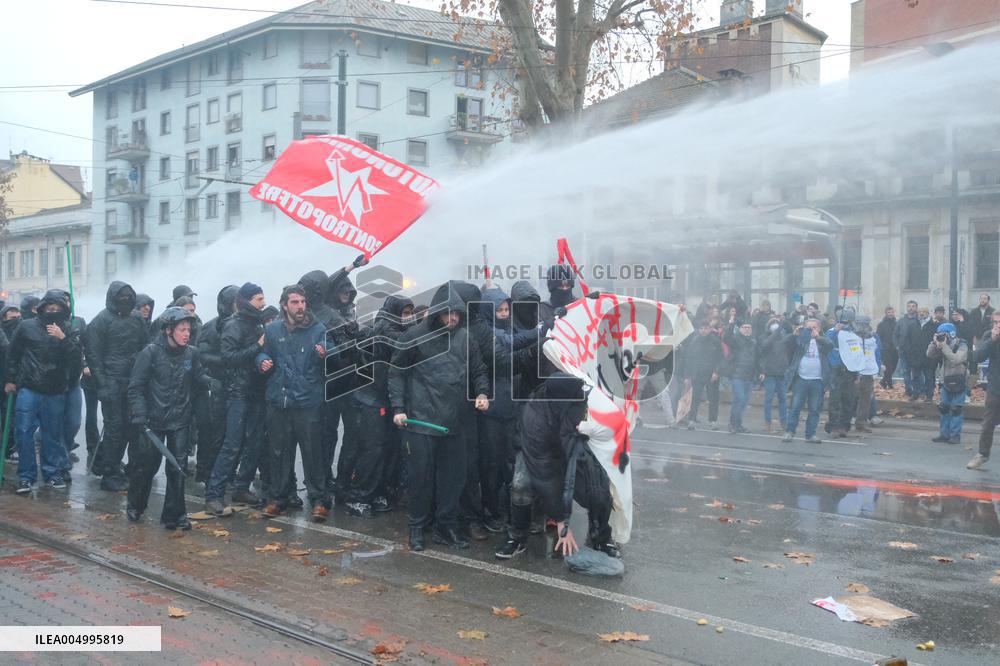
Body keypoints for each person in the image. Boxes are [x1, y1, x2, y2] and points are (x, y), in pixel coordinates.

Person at [388, 288, 490, 552]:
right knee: (420, 479)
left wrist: (482, 392)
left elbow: (478, 370)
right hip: (421, 421)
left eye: (456, 313)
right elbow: (396, 373)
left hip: (454, 421)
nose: (453, 318)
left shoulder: (466, 338)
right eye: (448, 313)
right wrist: (398, 408)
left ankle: (447, 525)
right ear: (437, 314)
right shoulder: (414, 336)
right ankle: (417, 527)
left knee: (453, 478)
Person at [494, 373, 614, 561]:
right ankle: (517, 535)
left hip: (571, 444)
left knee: (597, 487)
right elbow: (546, 476)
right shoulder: (534, 418)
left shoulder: (575, 396)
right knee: (521, 485)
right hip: (536, 452)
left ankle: (601, 536)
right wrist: (561, 521)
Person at [126, 307, 212, 529]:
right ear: (168, 330)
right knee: (146, 466)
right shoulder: (150, 353)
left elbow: (198, 378)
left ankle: (174, 514)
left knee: (178, 468)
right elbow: (136, 387)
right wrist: (139, 413)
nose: (187, 334)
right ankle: (136, 503)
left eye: (189, 329)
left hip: (180, 420)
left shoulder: (192, 354)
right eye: (182, 329)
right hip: (152, 422)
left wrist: (212, 382)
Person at [256, 285, 331, 521]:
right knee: (279, 452)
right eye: (295, 302)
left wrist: (326, 351)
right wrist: (262, 361)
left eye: (302, 302)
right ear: (284, 305)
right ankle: (278, 498)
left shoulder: (318, 328)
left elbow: (335, 350)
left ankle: (319, 500)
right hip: (280, 400)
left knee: (312, 452)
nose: (300, 307)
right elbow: (262, 353)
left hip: (307, 400)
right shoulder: (274, 329)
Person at [338, 294, 414, 518]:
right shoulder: (384, 328)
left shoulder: (394, 328)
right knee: (372, 450)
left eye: (410, 314)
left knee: (387, 450)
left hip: (387, 399)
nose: (408, 318)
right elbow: (403, 343)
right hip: (370, 399)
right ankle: (359, 496)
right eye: (405, 313)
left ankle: (377, 492)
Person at [6, 290, 82, 494]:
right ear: (42, 309)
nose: (53, 312)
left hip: (55, 390)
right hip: (29, 388)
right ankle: (26, 476)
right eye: (50, 309)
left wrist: (63, 338)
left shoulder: (68, 328)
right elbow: (13, 354)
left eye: (57, 309)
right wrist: (11, 380)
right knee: (23, 431)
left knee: (52, 434)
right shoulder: (26, 326)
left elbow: (76, 361)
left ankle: (51, 473)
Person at [204, 282, 268, 515]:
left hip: (257, 392)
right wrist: (257, 347)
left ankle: (242, 487)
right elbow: (228, 358)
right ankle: (213, 495)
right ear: (246, 301)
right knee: (232, 445)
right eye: (259, 299)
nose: (263, 303)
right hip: (238, 393)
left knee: (254, 444)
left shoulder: (257, 323)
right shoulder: (234, 324)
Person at [86, 281, 150, 491]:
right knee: (115, 429)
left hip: (132, 382)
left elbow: (145, 348)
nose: (126, 300)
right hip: (111, 382)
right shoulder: (100, 322)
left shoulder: (137, 319)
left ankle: (113, 464)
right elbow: (93, 356)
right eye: (121, 297)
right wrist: (102, 385)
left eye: (128, 296)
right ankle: (110, 473)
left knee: (131, 428)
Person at [323, 256, 368, 499]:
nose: (345, 294)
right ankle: (323, 478)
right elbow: (330, 282)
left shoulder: (351, 312)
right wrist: (352, 266)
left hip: (351, 380)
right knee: (328, 433)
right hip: (331, 381)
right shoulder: (325, 312)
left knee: (353, 432)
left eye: (348, 291)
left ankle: (343, 480)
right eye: (342, 291)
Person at [195, 285, 238, 483]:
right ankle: (207, 471)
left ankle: (226, 472)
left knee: (232, 435)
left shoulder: (242, 325)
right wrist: (226, 360)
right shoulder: (211, 327)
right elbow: (201, 355)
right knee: (214, 434)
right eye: (234, 303)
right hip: (216, 386)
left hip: (236, 387)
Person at [783, 319, 833, 444]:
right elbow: (784, 343)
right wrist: (795, 334)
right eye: (809, 327)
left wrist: (818, 337)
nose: (811, 330)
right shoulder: (800, 340)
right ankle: (790, 431)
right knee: (795, 407)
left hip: (817, 379)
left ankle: (810, 434)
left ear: (819, 328)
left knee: (815, 409)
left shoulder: (822, 341)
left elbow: (831, 345)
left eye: (814, 327)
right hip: (801, 378)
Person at [926, 322, 968, 446]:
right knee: (944, 408)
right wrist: (935, 343)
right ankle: (944, 434)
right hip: (946, 380)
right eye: (939, 334)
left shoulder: (962, 344)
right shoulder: (941, 343)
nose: (942, 337)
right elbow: (929, 354)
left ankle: (955, 436)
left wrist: (944, 346)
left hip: (959, 380)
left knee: (956, 409)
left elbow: (955, 360)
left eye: (943, 334)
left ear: (951, 334)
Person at [676, 320, 723, 430]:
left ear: (710, 329)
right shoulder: (694, 341)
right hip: (697, 374)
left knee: (713, 398)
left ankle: (713, 421)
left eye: (706, 328)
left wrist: (717, 372)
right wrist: (687, 376)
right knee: (695, 398)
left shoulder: (716, 341)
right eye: (701, 328)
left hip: (712, 375)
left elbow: (720, 359)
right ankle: (692, 420)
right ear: (699, 329)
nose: (703, 330)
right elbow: (689, 360)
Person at [970, 317, 1000, 469]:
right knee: (988, 424)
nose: (997, 325)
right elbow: (978, 356)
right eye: (995, 322)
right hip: (995, 388)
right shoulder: (990, 336)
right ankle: (982, 454)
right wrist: (992, 340)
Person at [758, 317, 793, 433]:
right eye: (773, 323)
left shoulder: (783, 337)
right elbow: (765, 345)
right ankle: (767, 423)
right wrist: (777, 331)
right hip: (770, 373)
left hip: (781, 373)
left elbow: (791, 334)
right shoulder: (764, 336)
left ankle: (784, 423)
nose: (775, 325)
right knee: (768, 399)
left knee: (782, 399)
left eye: (777, 323)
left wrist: (785, 321)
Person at [724, 321, 757, 434]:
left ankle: (738, 424)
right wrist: (731, 324)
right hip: (737, 374)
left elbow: (757, 358)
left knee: (742, 402)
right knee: (740, 398)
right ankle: (733, 423)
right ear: (740, 329)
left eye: (749, 327)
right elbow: (726, 337)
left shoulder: (753, 342)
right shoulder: (736, 340)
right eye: (744, 327)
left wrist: (761, 371)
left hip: (749, 376)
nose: (747, 329)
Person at [852, 315, 881, 434]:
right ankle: (844, 422)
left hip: (868, 372)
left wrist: (877, 367)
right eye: (860, 323)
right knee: (851, 398)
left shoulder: (873, 336)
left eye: (865, 323)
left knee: (866, 400)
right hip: (855, 372)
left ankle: (861, 423)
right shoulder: (852, 336)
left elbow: (877, 351)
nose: (863, 326)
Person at [894, 300, 923, 399]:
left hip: (915, 352)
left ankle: (918, 391)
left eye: (913, 306)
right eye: (909, 306)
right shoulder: (901, 321)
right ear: (907, 308)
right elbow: (895, 334)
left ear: (916, 308)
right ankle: (908, 390)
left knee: (916, 373)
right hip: (903, 351)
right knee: (905, 371)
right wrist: (897, 345)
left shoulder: (919, 320)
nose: (911, 308)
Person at [876, 307, 898, 389]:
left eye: (892, 312)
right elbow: (878, 337)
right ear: (886, 313)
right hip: (885, 349)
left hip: (895, 349)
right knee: (888, 367)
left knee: (894, 366)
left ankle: (883, 381)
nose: (891, 314)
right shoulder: (881, 325)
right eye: (889, 312)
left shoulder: (897, 323)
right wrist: (880, 347)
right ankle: (890, 384)